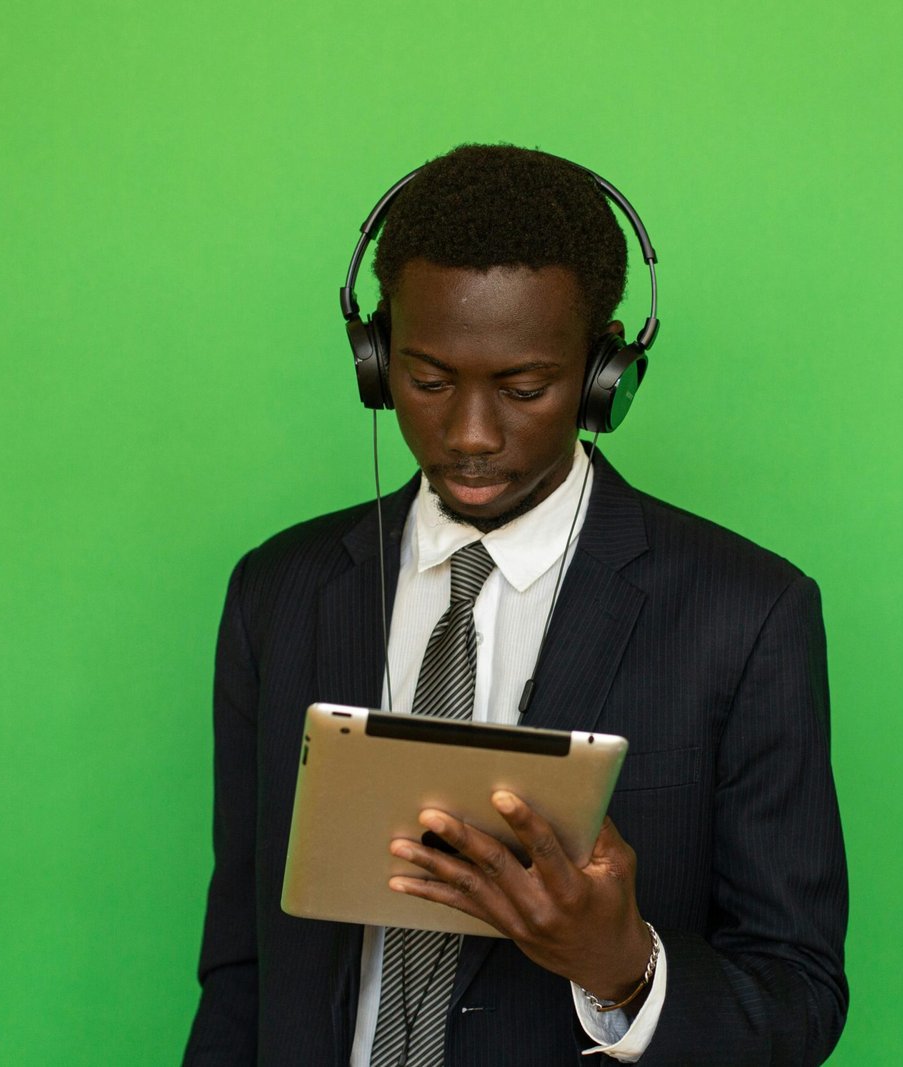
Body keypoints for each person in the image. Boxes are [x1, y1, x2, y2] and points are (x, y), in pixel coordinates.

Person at [182, 144, 848, 1066]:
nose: (469, 434)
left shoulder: (748, 615)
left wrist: (626, 971)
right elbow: (244, 961)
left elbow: (798, 998)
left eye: (525, 389)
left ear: (605, 372)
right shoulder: (279, 589)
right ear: (374, 359)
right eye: (426, 379)